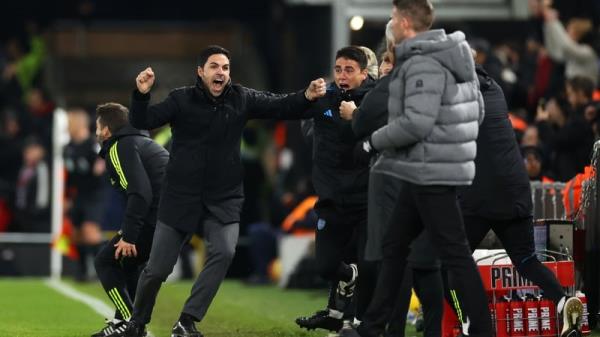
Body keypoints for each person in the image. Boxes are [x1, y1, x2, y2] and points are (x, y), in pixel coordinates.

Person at [119, 45, 326, 337]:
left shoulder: (242, 98)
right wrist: (141, 95)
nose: (221, 73)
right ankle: (137, 322)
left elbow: (279, 105)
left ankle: (187, 320)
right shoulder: (181, 99)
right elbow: (143, 121)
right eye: (215, 67)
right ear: (200, 72)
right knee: (157, 269)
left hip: (224, 196)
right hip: (180, 196)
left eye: (226, 67)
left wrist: (306, 96)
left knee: (224, 251)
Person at [341, 1, 492, 336]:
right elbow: (476, 112)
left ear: (406, 23)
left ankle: (484, 330)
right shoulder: (453, 54)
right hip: (423, 167)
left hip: (431, 169)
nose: (391, 22)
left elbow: (416, 123)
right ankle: (373, 326)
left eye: (394, 17)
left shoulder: (423, 61)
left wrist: (372, 143)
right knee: (395, 246)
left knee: (454, 254)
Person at [294, 46, 378, 334]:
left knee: (370, 265)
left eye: (349, 70)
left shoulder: (375, 101)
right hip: (331, 197)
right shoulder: (323, 96)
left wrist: (357, 117)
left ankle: (359, 325)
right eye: (338, 69)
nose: (342, 76)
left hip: (367, 199)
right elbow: (299, 114)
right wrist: (307, 100)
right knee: (326, 267)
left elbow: (387, 133)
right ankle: (344, 289)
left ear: (364, 74)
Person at [91, 102, 169, 337]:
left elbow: (140, 193)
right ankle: (125, 324)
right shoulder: (141, 142)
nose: (95, 132)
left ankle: (128, 322)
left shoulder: (118, 147)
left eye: (97, 127)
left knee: (105, 260)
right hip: (172, 217)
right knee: (129, 262)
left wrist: (130, 235)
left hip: (158, 217)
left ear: (106, 130)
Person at [64, 108, 106, 282]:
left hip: (94, 194)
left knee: (90, 231)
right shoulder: (68, 148)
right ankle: (81, 271)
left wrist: (101, 164)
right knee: (76, 234)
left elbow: (103, 158)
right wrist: (66, 197)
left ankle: (104, 268)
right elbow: (69, 176)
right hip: (78, 195)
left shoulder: (92, 144)